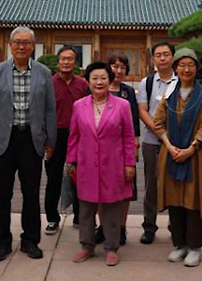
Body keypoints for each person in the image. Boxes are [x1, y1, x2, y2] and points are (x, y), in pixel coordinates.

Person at [0, 26, 56, 262]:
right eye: (17, 42)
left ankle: (30, 240)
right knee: (2, 193)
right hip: (4, 138)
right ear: (10, 45)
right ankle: (2, 241)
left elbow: (49, 110)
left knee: (31, 192)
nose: (21, 46)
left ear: (33, 46)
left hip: (31, 139)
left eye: (26, 42)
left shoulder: (44, 73)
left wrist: (50, 141)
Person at [66, 61, 136, 267]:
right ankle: (86, 245)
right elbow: (74, 136)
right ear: (87, 81)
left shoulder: (122, 105)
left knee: (112, 206)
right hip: (86, 163)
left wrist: (129, 163)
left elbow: (128, 136)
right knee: (86, 206)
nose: (99, 82)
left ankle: (112, 247)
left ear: (110, 80)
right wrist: (71, 160)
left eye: (103, 78)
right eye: (94, 78)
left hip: (114, 163)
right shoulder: (79, 106)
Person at [154, 48, 202, 267]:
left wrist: (190, 149)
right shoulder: (170, 93)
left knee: (194, 202)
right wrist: (170, 147)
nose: (186, 69)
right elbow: (158, 122)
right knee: (175, 202)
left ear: (196, 68)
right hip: (171, 155)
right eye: (181, 65)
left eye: (190, 65)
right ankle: (179, 244)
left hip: (196, 157)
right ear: (176, 68)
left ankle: (195, 247)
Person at [94, 52, 141, 245]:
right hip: (100, 148)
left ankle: (121, 227)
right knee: (100, 189)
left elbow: (134, 122)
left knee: (125, 189)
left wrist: (135, 146)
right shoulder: (96, 89)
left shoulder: (128, 92)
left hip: (123, 149)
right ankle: (103, 226)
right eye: (114, 66)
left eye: (122, 67)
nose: (118, 71)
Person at [137, 41, 177, 244]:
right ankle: (149, 226)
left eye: (166, 54)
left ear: (173, 57)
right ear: (153, 59)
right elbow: (143, 110)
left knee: (175, 184)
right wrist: (159, 132)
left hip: (177, 142)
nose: (162, 58)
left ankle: (175, 226)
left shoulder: (181, 81)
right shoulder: (148, 82)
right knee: (151, 185)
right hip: (152, 141)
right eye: (158, 55)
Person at [46, 46, 88, 234]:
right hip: (55, 135)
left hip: (78, 135)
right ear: (58, 62)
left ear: (75, 62)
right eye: (63, 59)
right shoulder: (49, 83)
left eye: (70, 59)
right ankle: (52, 218)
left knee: (80, 178)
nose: (66, 62)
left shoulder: (83, 84)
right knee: (53, 178)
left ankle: (80, 216)